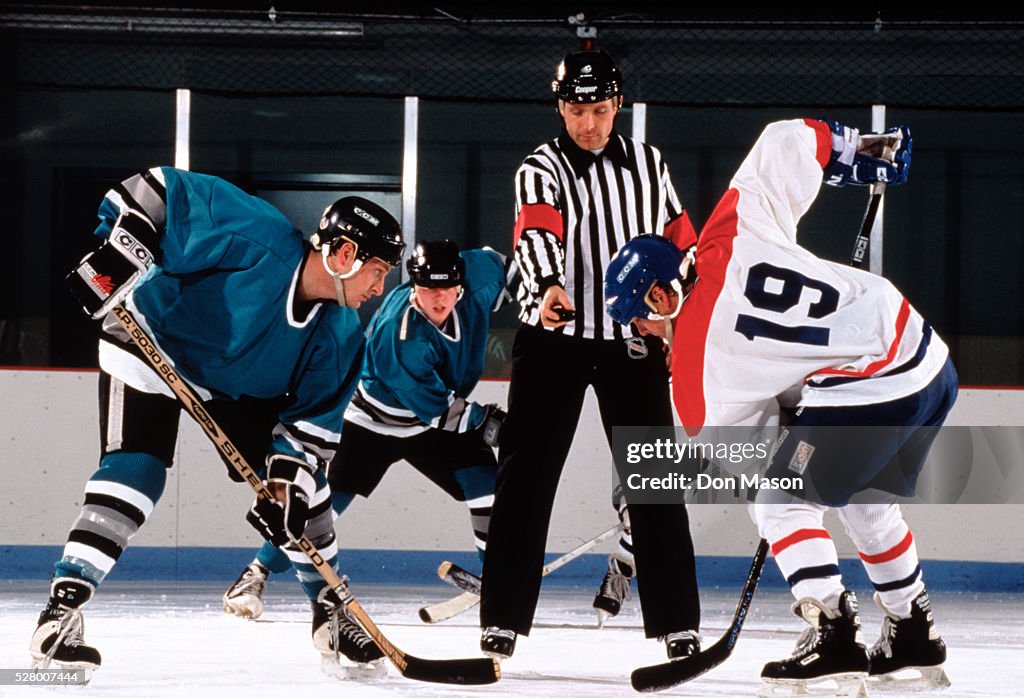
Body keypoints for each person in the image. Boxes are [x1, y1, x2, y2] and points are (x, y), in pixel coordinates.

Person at [604, 117, 953, 694]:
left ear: (659, 294)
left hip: (869, 384)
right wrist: (856, 151)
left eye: (638, 316)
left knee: (780, 499)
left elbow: (750, 459)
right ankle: (912, 629)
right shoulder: (728, 230)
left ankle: (832, 630)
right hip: (926, 357)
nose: (642, 331)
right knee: (863, 501)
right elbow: (785, 140)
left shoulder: (693, 371)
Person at [32, 167, 405, 677]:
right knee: (136, 472)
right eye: (378, 271)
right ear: (344, 256)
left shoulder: (340, 336)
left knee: (304, 496)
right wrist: (118, 253)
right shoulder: (257, 236)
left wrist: (288, 485)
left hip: (228, 384)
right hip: (147, 338)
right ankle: (61, 610)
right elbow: (156, 190)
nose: (381, 289)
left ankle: (332, 615)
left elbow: (307, 434)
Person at [478, 47, 702, 661]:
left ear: (618, 105)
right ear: (560, 107)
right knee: (525, 478)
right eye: (577, 111)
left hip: (628, 340)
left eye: (600, 110)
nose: (589, 124)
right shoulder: (540, 167)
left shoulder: (650, 165)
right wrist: (550, 286)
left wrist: (671, 291)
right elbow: (536, 235)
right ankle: (501, 620)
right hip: (553, 337)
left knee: (654, 478)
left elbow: (681, 243)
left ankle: (677, 623)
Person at [222, 239, 517, 618]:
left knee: (485, 483)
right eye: (428, 290)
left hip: (431, 418)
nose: (439, 300)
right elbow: (439, 412)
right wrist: (490, 424)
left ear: (461, 283)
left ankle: (500, 574)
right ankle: (255, 573)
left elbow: (517, 274)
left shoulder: (478, 275)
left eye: (447, 289)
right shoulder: (401, 335)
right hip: (370, 423)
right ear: (414, 287)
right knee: (320, 507)